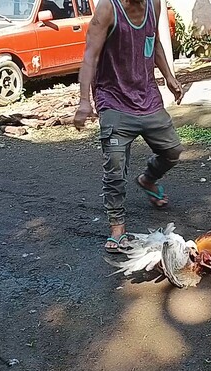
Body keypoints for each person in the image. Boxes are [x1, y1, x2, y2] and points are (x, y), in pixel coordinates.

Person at [73, 0, 184, 253]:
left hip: (147, 96)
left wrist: (169, 77)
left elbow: (153, 42)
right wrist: (83, 101)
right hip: (113, 100)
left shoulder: (153, 5)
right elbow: (90, 55)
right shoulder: (107, 9)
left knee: (173, 151)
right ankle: (117, 228)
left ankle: (148, 179)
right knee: (114, 167)